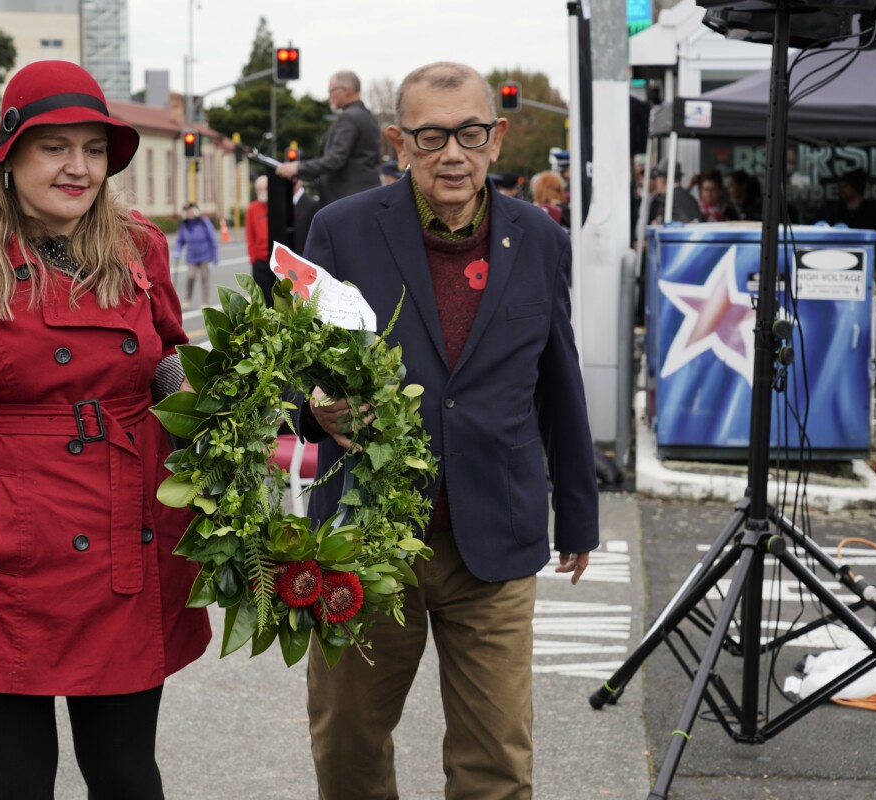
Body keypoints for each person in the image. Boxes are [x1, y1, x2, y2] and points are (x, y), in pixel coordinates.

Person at [0, 61, 211, 799]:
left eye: (93, 149)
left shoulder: (139, 245)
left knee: (126, 774)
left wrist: (217, 417)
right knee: (18, 780)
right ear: (10, 156)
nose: (78, 167)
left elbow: (164, 358)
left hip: (125, 536)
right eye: (54, 147)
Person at [298, 61, 600, 798]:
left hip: (494, 538)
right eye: (431, 137)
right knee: (348, 749)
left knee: (496, 763)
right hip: (364, 541)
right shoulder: (340, 230)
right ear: (399, 143)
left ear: (497, 138)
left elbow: (559, 378)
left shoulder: (539, 236)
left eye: (470, 133)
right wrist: (313, 406)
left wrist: (578, 516)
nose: (453, 154)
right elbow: (294, 368)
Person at [274, 70, 380, 205]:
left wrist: (297, 167)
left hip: (348, 199)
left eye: (331, 91)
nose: (329, 96)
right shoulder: (368, 117)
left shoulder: (349, 118)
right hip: (364, 195)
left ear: (346, 90)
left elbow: (335, 159)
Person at [173, 202, 217, 306]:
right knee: (190, 277)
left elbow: (212, 238)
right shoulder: (184, 225)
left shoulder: (204, 222)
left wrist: (214, 255)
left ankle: (205, 302)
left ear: (196, 211)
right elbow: (180, 240)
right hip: (192, 256)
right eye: (187, 212)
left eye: (191, 211)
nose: (189, 213)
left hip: (205, 255)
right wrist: (177, 250)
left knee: (204, 278)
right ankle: (187, 300)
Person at [246, 174, 271, 301]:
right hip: (259, 261)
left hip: (274, 259)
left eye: (264, 188)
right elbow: (250, 235)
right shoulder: (252, 209)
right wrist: (253, 258)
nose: (262, 192)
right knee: (260, 297)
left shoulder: (276, 205)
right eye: (259, 189)